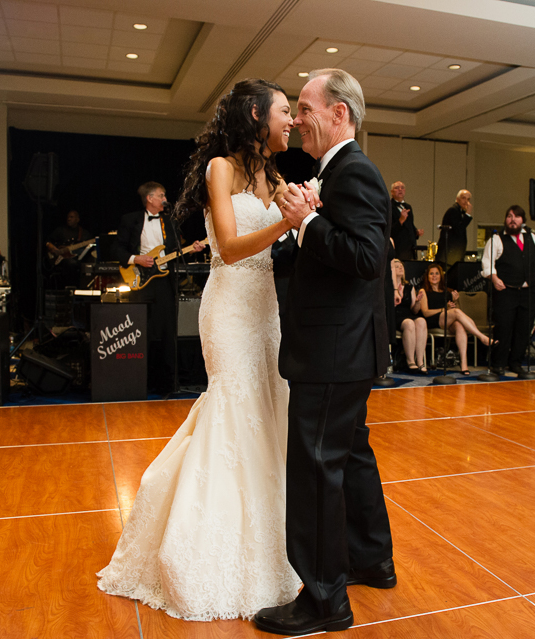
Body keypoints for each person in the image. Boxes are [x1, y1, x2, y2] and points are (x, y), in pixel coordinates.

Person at [97, 78, 300, 621]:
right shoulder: (221, 169)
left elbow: (290, 241)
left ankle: (273, 543)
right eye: (285, 111)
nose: (292, 120)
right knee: (234, 413)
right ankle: (211, 549)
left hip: (268, 313)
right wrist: (287, 219)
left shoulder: (275, 176)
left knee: (268, 414)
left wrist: (304, 217)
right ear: (257, 114)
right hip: (231, 309)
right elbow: (231, 248)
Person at [254, 68, 394, 636]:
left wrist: (306, 219)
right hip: (346, 348)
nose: (299, 118)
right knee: (351, 456)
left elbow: (366, 258)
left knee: (316, 469)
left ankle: (323, 600)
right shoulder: (335, 174)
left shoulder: (354, 172)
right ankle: (371, 560)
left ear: (340, 113)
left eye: (307, 107)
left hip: (334, 350)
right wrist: (304, 223)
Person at [113, 183, 205, 395]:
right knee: (139, 330)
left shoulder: (169, 221)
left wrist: (193, 249)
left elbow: (176, 251)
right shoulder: (131, 219)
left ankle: (168, 384)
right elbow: (116, 248)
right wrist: (137, 259)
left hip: (164, 280)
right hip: (140, 279)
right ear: (150, 199)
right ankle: (136, 383)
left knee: (167, 331)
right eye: (161, 195)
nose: (165, 198)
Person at [481, 204, 535, 377]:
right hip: (506, 291)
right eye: (509, 216)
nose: (512, 220)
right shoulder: (496, 239)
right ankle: (498, 363)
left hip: (528, 291)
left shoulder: (532, 238)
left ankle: (516, 362)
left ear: (522, 221)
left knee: (523, 329)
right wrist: (494, 279)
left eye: (516, 217)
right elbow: (487, 263)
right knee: (504, 328)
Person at [416, 262, 492, 374]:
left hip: (446, 319)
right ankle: (482, 337)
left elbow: (457, 312)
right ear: (427, 276)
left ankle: (464, 365)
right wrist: (444, 309)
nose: (434, 276)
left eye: (437, 273)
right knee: (455, 313)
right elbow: (426, 312)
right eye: (431, 274)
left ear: (441, 276)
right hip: (431, 320)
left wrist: (455, 301)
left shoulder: (446, 291)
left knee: (460, 325)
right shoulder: (424, 291)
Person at [391, 258, 427, 372]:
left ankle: (420, 362)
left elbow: (415, 311)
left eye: (401, 266)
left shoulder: (409, 287)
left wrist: (417, 302)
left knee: (421, 321)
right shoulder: (388, 286)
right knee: (409, 323)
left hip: (408, 314)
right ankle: (410, 361)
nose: (400, 267)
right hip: (395, 316)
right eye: (397, 266)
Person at [45, 210, 92, 288]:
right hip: (60, 260)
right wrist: (52, 248)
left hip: (77, 259)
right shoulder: (60, 230)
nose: (69, 219)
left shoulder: (84, 233)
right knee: (71, 263)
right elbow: (47, 241)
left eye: (72, 217)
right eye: (68, 217)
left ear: (77, 219)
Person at [435, 189, 473, 265]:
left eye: (468, 199)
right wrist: (468, 215)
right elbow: (459, 229)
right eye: (463, 198)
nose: (466, 202)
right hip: (449, 257)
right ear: (457, 199)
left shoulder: (459, 212)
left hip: (453, 256)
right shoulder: (453, 210)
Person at [389, 181, 422, 261]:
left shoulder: (408, 206)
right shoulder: (389, 207)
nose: (400, 190)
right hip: (398, 248)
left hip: (410, 248)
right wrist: (400, 220)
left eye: (402, 188)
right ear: (392, 192)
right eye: (397, 188)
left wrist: (416, 232)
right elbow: (389, 230)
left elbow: (410, 225)